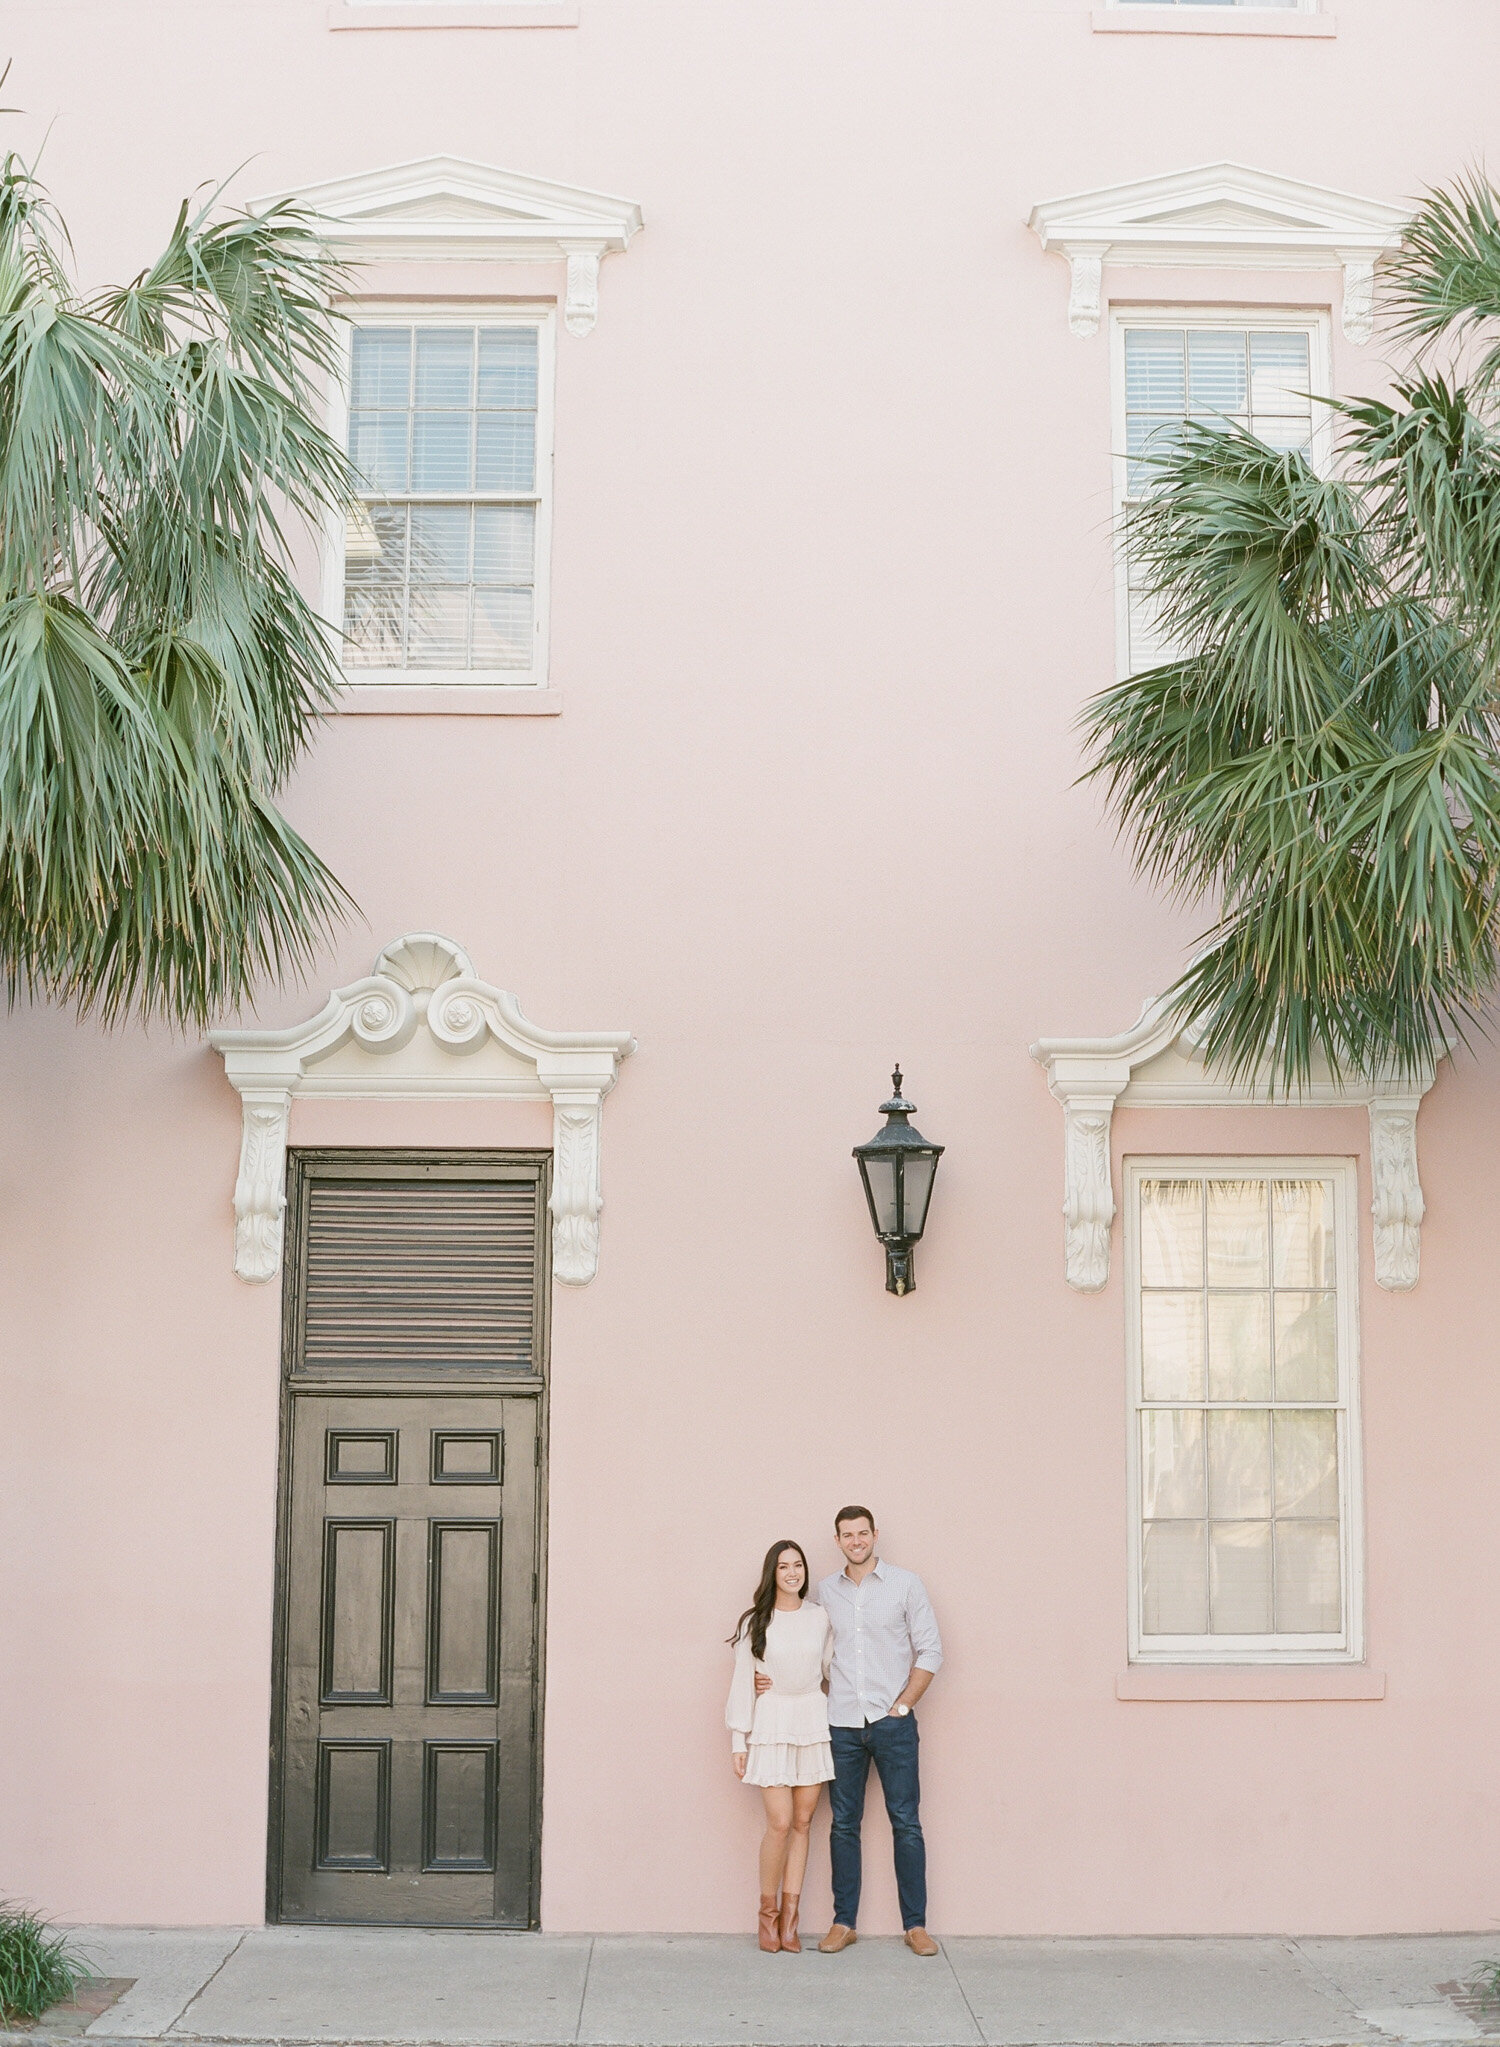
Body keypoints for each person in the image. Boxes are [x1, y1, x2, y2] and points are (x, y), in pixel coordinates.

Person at [760, 1505, 942, 1956]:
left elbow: (931, 1651)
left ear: (874, 1535)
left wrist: (902, 1705)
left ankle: (915, 1926)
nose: (856, 1541)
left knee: (906, 1823)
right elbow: (801, 1647)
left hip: (892, 1723)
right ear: (837, 1540)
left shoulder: (906, 1584)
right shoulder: (823, 1594)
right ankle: (844, 1923)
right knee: (843, 1826)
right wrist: (762, 1676)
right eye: (847, 1535)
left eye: (863, 1533)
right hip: (840, 1725)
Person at [725, 1539, 834, 1953]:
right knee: (780, 1823)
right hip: (771, 1721)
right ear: (772, 1573)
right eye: (784, 1566)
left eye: (799, 1565)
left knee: (804, 1823)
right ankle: (767, 1917)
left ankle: (791, 1921)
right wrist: (740, 1739)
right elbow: (741, 1680)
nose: (792, 1572)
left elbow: (829, 1668)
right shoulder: (756, 1621)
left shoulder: (820, 1616)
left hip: (811, 1718)